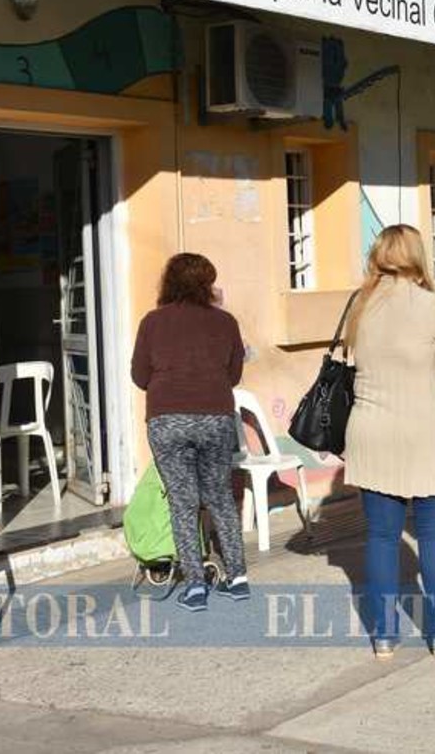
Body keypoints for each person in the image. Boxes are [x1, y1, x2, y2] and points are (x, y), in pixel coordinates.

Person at [342, 225, 435, 658]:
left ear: (379, 255)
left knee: (382, 537)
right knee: (434, 534)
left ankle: (383, 635)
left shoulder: (358, 305)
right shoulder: (433, 306)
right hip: (426, 431)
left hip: (370, 430)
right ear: (418, 256)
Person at [131, 253, 250, 612]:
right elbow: (234, 375)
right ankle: (238, 579)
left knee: (182, 503)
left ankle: (195, 587)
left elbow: (139, 376)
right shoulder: (226, 322)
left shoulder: (152, 322)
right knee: (219, 497)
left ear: (169, 283)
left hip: (167, 420)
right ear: (207, 284)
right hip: (215, 417)